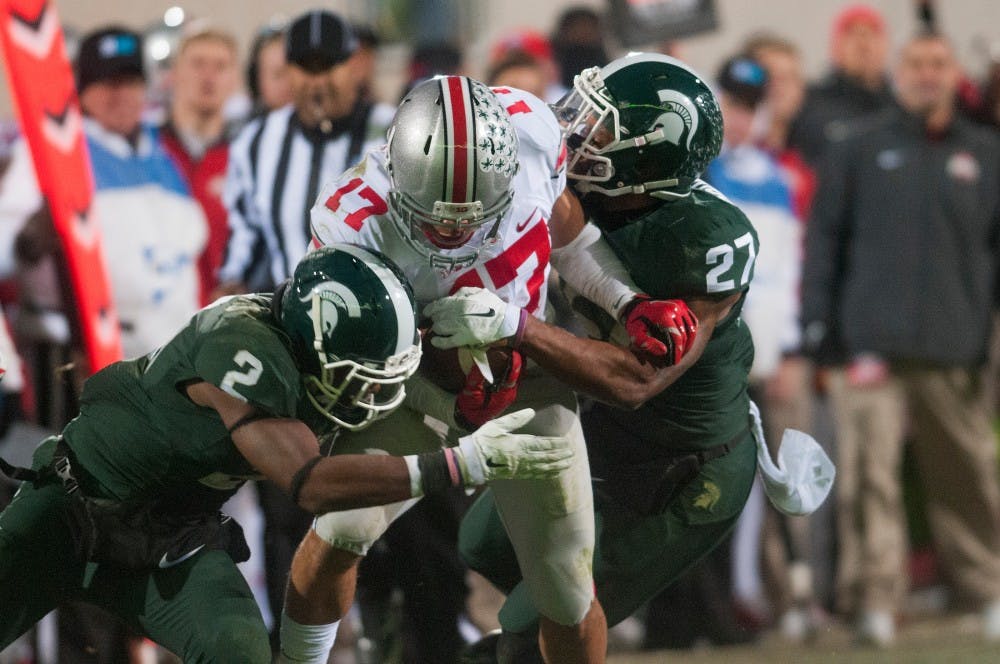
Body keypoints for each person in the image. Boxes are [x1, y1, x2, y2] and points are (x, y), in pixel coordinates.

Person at [0, 244, 572, 662]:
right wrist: (463, 461)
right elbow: (310, 481)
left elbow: (395, 393)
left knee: (241, 653)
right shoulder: (243, 349)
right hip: (67, 511)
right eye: (364, 378)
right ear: (320, 346)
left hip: (166, 537)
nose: (375, 395)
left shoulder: (308, 345)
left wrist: (456, 416)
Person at [298, 73, 702, 664]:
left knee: (566, 589)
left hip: (527, 380)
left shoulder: (533, 139)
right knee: (341, 532)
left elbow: (565, 234)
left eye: (473, 215)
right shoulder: (351, 223)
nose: (456, 232)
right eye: (436, 220)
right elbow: (359, 358)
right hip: (413, 387)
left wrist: (625, 300)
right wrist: (445, 400)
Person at [425, 52, 769, 662]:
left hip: (682, 468)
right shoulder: (578, 185)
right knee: (486, 546)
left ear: (646, 155)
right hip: (604, 432)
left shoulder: (706, 240)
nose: (578, 128)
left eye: (602, 124)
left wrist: (514, 329)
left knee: (532, 633)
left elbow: (634, 380)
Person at [800, 30, 1000, 647]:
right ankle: (876, 601)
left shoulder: (986, 154)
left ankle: (987, 590)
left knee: (967, 475)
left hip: (955, 346)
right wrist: (820, 332)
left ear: (952, 74)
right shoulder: (856, 147)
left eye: (938, 63)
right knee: (870, 480)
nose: (927, 73)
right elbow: (825, 242)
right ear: (899, 70)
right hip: (870, 347)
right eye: (916, 63)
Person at [216, 9, 393, 296]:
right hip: (290, 320)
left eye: (328, 66)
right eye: (306, 68)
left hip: (382, 314)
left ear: (353, 66)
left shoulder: (392, 130)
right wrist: (231, 288)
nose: (317, 81)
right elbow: (244, 238)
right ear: (289, 71)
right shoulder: (256, 142)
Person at [159, 27, 241, 304]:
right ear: (175, 74)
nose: (209, 77)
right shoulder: (151, 150)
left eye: (220, 67)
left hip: (221, 322)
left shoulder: (246, 157)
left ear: (234, 80)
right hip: (159, 319)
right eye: (198, 64)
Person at [789, 4, 893, 167]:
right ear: (836, 46)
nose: (863, 44)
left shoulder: (900, 107)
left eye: (871, 34)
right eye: (852, 35)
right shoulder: (809, 102)